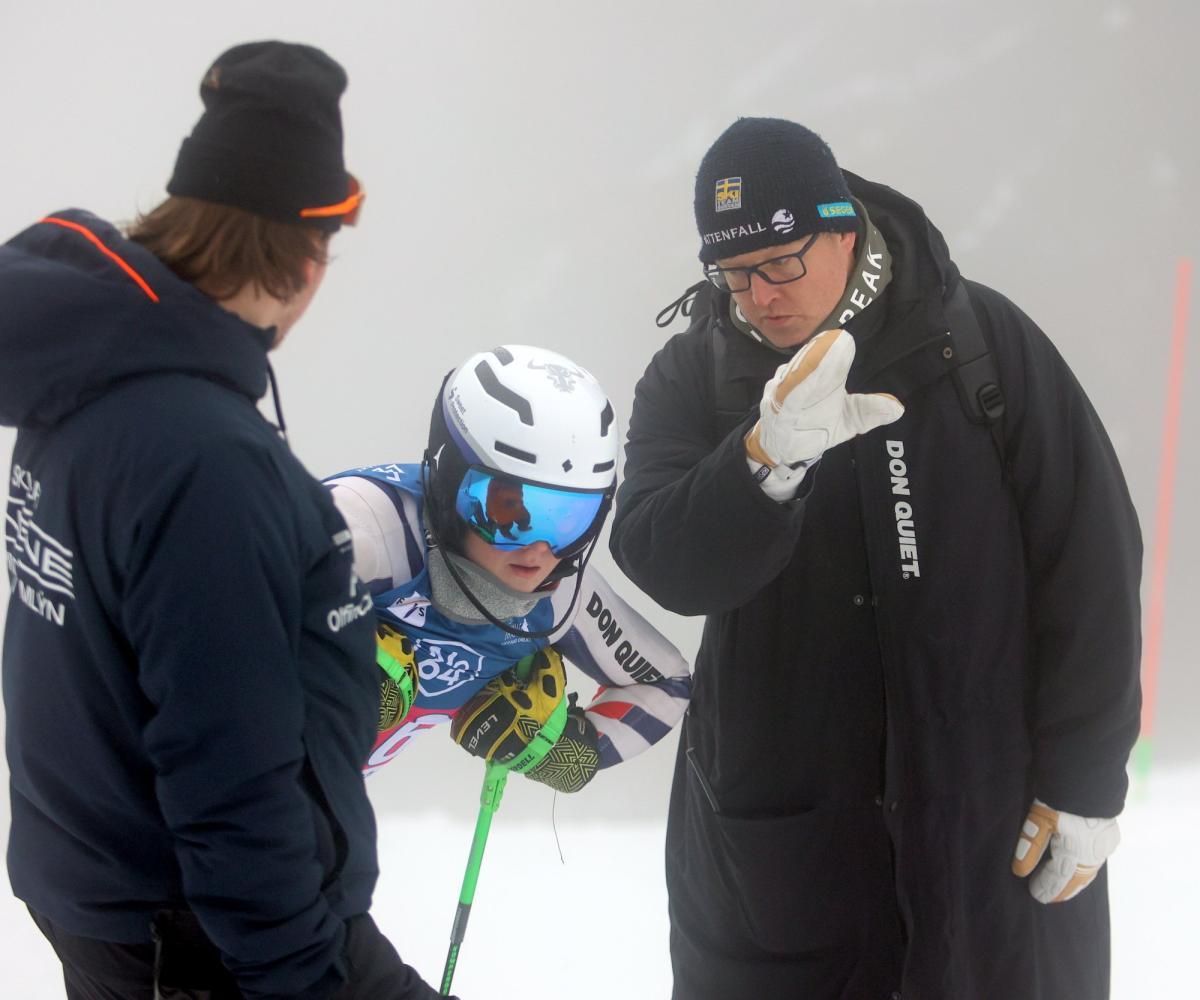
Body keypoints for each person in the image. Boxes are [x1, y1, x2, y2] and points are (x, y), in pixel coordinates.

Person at [609, 117, 1142, 999]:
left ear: (844, 231)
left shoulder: (975, 340)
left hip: (990, 832)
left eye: (781, 263)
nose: (759, 296)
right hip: (783, 848)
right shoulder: (694, 375)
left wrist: (1086, 775)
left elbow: (1090, 556)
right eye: (733, 273)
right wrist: (762, 462)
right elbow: (662, 561)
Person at [1, 42, 445, 999]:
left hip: (114, 906)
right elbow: (228, 773)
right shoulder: (204, 461)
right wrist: (301, 974)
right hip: (219, 940)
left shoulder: (83, 388)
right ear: (305, 252)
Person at [324, 344, 691, 789]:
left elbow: (666, 684)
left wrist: (563, 751)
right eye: (507, 507)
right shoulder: (366, 530)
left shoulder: (559, 599)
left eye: (570, 518)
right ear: (448, 480)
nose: (538, 550)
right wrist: (315, 663)